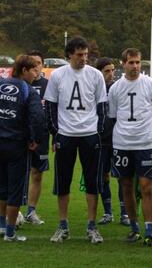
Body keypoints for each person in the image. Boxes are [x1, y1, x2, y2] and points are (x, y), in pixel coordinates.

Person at [44, 36, 107, 244]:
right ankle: (63, 225)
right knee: (63, 182)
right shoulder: (58, 75)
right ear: (69, 55)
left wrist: (98, 130)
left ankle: (92, 226)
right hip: (66, 135)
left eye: (86, 54)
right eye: (80, 55)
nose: (84, 59)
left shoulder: (96, 75)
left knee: (92, 182)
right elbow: (50, 106)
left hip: (90, 135)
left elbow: (102, 106)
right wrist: (56, 132)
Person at [108, 48, 152, 246]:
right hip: (122, 143)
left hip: (144, 144)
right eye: (131, 62)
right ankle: (134, 228)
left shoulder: (150, 84)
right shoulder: (115, 88)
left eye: (138, 62)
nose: (135, 66)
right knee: (126, 186)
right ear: (123, 63)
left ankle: (150, 230)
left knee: (146, 186)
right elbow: (113, 116)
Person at [0, 55, 45, 241]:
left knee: (1, 186)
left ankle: (2, 225)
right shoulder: (28, 90)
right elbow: (37, 118)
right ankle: (10, 233)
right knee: (16, 189)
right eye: (34, 69)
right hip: (17, 145)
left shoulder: (1, 85)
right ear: (24, 70)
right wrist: (36, 139)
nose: (37, 73)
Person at [95, 57, 130, 226]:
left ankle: (125, 213)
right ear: (99, 73)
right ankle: (108, 212)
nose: (111, 74)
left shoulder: (118, 89)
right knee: (102, 176)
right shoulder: (94, 89)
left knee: (122, 177)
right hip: (101, 141)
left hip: (118, 140)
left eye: (112, 70)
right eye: (107, 71)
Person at [23, 50, 49, 225]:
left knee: (37, 173)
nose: (36, 66)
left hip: (42, 136)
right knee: (18, 173)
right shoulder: (20, 85)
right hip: (21, 136)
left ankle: (31, 211)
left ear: (43, 65)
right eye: (32, 63)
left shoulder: (49, 85)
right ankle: (14, 209)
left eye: (38, 63)